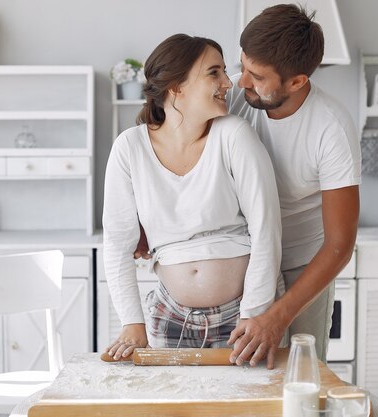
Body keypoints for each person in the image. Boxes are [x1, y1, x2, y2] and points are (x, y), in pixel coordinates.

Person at [102, 34, 282, 360]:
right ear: (176, 87)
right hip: (168, 317)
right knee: (173, 410)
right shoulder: (129, 148)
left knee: (247, 410)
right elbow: (117, 242)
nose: (229, 83)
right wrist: (131, 321)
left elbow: (267, 230)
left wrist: (254, 313)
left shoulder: (234, 135)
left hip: (242, 315)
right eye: (214, 72)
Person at [226, 4, 361, 369]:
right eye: (243, 67)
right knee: (243, 376)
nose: (241, 82)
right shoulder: (238, 97)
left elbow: (339, 244)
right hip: (243, 258)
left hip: (303, 264)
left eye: (256, 76)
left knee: (299, 373)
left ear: (297, 82)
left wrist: (277, 318)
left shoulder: (331, 129)